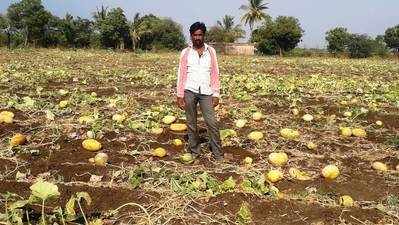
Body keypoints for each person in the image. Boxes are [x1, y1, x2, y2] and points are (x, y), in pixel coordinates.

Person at [176, 22, 223, 161]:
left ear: (204, 35)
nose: (197, 37)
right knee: (191, 123)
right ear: (191, 36)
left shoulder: (211, 51)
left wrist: (216, 93)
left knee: (212, 123)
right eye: (195, 35)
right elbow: (181, 74)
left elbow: (215, 73)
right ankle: (194, 151)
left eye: (200, 35)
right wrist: (179, 95)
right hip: (189, 90)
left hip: (206, 92)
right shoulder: (186, 52)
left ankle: (218, 153)